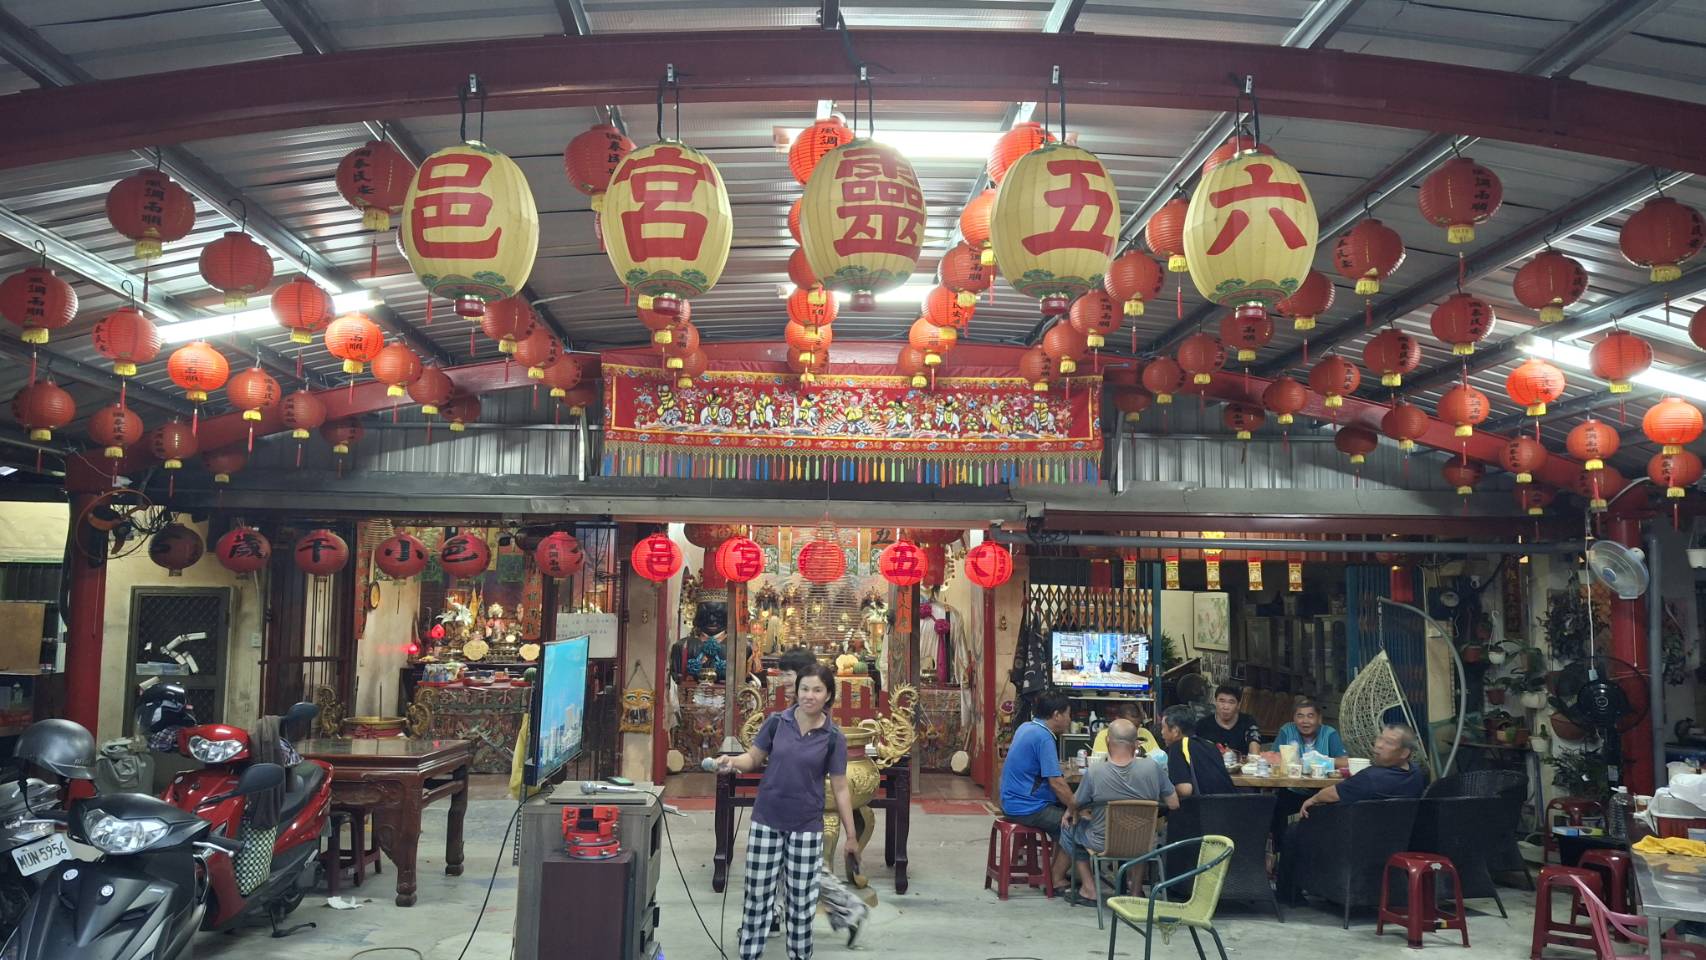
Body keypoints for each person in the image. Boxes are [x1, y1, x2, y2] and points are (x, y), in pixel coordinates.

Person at [718, 662, 857, 960]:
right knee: (757, 898)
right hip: (766, 821)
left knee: (801, 904)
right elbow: (753, 758)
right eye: (804, 688)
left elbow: (841, 787)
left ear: (828, 695)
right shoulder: (776, 723)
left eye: (817, 690)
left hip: (806, 827)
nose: (809, 695)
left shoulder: (834, 737)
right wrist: (731, 762)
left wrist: (851, 835)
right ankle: (749, 954)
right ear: (796, 691)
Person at [769, 646, 869, 945]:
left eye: (787, 674)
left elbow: (838, 783)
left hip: (804, 806)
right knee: (781, 864)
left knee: (809, 868)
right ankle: (773, 915)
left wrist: (851, 834)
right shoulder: (789, 714)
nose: (782, 680)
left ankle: (850, 909)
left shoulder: (818, 720)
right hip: (780, 803)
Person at [1059, 719, 1179, 903]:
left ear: (1108, 741)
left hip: (1103, 842)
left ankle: (1089, 889)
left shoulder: (1095, 772)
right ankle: (1136, 891)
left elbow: (1075, 802)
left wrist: (1070, 811)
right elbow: (1173, 803)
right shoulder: (1153, 768)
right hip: (1144, 843)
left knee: (1069, 828)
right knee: (1139, 833)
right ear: (1136, 744)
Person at [999, 690, 1077, 890]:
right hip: (1026, 807)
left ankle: (1054, 872)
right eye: (1068, 714)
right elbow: (1056, 783)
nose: (1070, 719)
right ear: (1057, 715)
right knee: (1075, 825)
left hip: (1010, 801)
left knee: (1065, 815)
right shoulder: (1044, 737)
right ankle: (1056, 878)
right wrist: (1077, 808)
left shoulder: (1026, 727)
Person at [1298, 723, 1425, 817]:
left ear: (1404, 753)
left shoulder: (1370, 778)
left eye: (1389, 743)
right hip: (1399, 837)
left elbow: (1330, 794)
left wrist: (1313, 799)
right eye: (1380, 738)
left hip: (1356, 836)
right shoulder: (1417, 773)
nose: (1379, 745)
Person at [1159, 705, 1238, 798]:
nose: (1161, 732)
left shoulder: (1177, 747)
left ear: (1175, 731)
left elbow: (1185, 790)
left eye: (1163, 727)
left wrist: (1161, 786)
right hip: (1231, 803)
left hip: (1206, 805)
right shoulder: (1210, 745)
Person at [1196, 684, 1263, 757]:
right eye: (1222, 701)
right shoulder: (1203, 724)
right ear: (1215, 702)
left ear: (1238, 705)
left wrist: (1253, 758)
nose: (1226, 707)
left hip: (1241, 763)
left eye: (1231, 702)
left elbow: (1254, 747)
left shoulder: (1248, 721)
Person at [1272, 698, 1347, 762]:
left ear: (1319, 719)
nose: (1305, 721)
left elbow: (1344, 761)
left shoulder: (1329, 733)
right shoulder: (1287, 731)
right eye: (1300, 716)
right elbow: (1274, 757)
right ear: (1294, 718)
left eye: (1310, 716)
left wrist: (1321, 760)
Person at [1091, 703, 1164, 760]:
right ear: (1118, 719)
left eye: (1137, 726)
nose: (1134, 730)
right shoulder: (1104, 735)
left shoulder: (1146, 734)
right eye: (1129, 725)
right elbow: (1099, 761)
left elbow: (1160, 758)